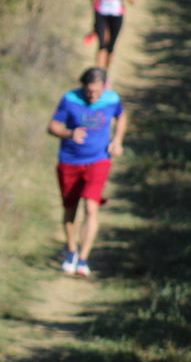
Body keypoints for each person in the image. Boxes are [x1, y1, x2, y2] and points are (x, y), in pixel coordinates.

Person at [47, 67, 127, 277]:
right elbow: (53, 126)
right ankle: (71, 250)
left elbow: (122, 117)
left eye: (97, 91)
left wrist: (117, 141)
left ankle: (83, 258)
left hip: (99, 160)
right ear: (83, 86)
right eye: (90, 91)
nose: (93, 96)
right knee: (70, 207)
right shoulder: (70, 99)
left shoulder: (112, 99)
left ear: (104, 87)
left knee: (91, 207)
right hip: (70, 161)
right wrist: (69, 133)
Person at [87, 0, 135, 69]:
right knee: (102, 43)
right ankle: (99, 72)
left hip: (116, 13)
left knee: (111, 45)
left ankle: (106, 73)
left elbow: (133, 0)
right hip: (101, 11)